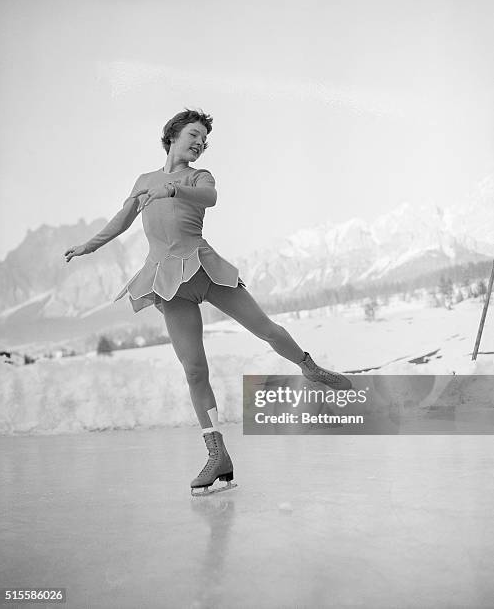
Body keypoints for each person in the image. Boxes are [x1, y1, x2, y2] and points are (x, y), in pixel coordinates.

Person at [64, 108, 352, 496]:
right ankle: (218, 454)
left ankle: (310, 368)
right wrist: (88, 245)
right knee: (195, 371)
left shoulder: (199, 176)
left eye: (204, 140)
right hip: (168, 281)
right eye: (194, 135)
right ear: (173, 135)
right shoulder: (144, 180)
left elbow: (209, 197)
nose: (200, 143)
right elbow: (122, 219)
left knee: (266, 330)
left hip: (205, 269)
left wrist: (174, 189)